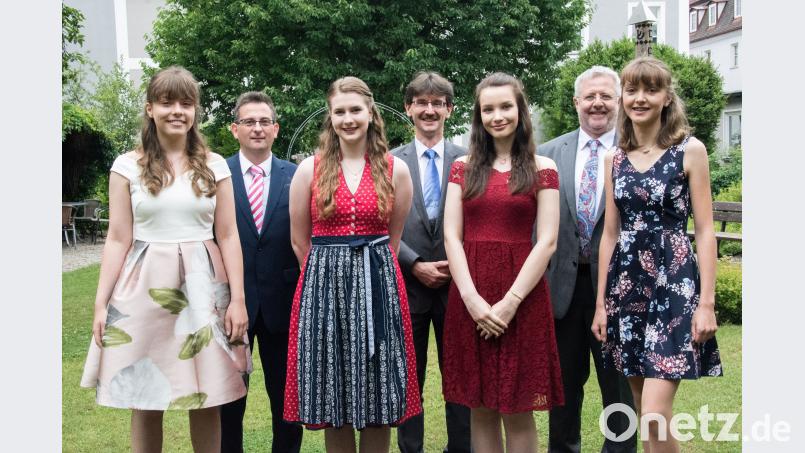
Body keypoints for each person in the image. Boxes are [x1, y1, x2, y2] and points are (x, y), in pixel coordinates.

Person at [80, 66, 251, 453]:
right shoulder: (127, 166)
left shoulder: (215, 164)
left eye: (186, 103)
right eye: (167, 101)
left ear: (195, 112)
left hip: (204, 287)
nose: (177, 110)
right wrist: (100, 302)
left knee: (207, 395)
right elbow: (118, 237)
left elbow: (227, 235)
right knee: (145, 397)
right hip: (142, 287)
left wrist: (237, 299)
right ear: (150, 108)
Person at [591, 56, 723, 452]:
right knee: (639, 409)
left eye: (651, 89)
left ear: (667, 97)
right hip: (626, 286)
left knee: (653, 414)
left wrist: (707, 304)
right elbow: (610, 234)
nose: (640, 98)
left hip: (675, 286)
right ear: (622, 99)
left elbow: (704, 231)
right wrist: (600, 303)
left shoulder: (690, 150)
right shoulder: (613, 158)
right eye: (631, 90)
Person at [283, 76, 419, 452]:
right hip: (324, 289)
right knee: (333, 394)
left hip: (378, 285)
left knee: (379, 393)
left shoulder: (396, 170)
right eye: (339, 111)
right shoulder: (310, 170)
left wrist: (369, 275)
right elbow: (299, 239)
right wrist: (326, 279)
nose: (348, 119)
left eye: (355, 110)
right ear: (330, 117)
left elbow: (392, 238)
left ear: (370, 113)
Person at [442, 72, 564, 453]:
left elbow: (547, 241)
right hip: (470, 295)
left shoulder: (543, 167)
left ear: (520, 110)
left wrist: (510, 302)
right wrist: (472, 300)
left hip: (523, 299)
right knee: (479, 406)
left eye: (505, 106)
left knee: (518, 407)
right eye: (488, 108)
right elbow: (451, 236)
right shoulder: (463, 167)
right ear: (479, 115)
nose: (498, 116)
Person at [537, 66, 637, 453]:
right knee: (562, 386)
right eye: (589, 96)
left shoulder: (636, 152)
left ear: (618, 102)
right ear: (576, 102)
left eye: (605, 96)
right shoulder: (547, 154)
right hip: (560, 290)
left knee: (618, 388)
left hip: (617, 290)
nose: (597, 103)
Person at [391, 71, 471, 453]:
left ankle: (461, 447)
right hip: (408, 285)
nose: (429, 110)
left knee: (461, 376)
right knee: (408, 378)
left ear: (449, 110)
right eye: (421, 102)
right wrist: (414, 263)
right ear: (408, 108)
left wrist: (455, 266)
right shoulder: (389, 162)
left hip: (460, 287)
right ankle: (411, 449)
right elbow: (383, 223)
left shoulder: (470, 160)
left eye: (437, 103)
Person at [219, 91, 303, 452]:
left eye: (264, 122)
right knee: (227, 401)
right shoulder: (215, 174)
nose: (257, 128)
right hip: (228, 305)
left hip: (283, 303)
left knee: (286, 404)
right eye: (249, 122)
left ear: (276, 129)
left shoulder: (297, 175)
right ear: (234, 129)